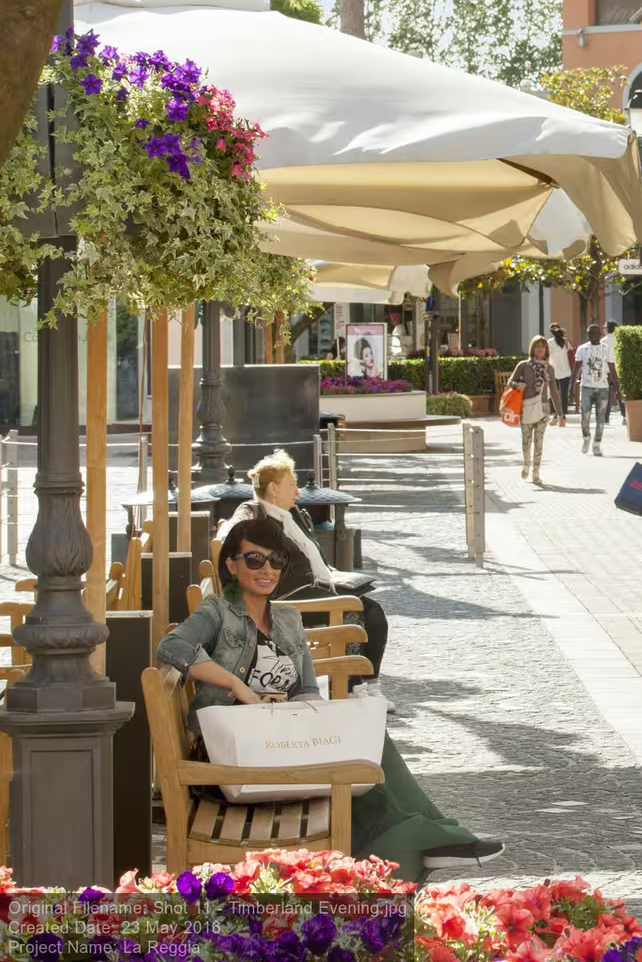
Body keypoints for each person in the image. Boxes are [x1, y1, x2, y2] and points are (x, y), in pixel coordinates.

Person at [157, 517, 503, 878]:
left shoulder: (288, 619)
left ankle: (432, 839)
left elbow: (306, 689)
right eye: (255, 560)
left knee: (367, 741)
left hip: (277, 743)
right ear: (232, 564)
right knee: (355, 769)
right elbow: (172, 646)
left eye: (276, 561)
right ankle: (427, 843)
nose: (268, 570)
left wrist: (323, 729)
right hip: (231, 758)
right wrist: (237, 685)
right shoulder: (217, 612)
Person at [219, 449, 387, 698]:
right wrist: (228, 532)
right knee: (362, 611)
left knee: (370, 609)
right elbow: (235, 525)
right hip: (286, 601)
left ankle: (366, 686)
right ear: (274, 490)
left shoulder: (291, 515)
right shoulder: (256, 515)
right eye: (292, 484)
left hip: (308, 589)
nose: (298, 491)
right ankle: (353, 688)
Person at [507, 336, 558, 486]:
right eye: (537, 346)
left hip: (543, 407)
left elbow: (554, 391)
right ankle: (526, 464)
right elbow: (510, 381)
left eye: (543, 346)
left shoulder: (549, 368)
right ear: (532, 349)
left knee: (539, 441)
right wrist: (517, 386)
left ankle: (536, 473)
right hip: (527, 406)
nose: (540, 349)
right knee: (526, 440)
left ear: (546, 350)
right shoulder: (523, 365)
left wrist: (561, 414)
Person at [575, 323, 619, 456]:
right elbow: (576, 370)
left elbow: (612, 369)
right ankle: (586, 438)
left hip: (603, 388)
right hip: (586, 387)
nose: (592, 335)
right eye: (589, 333)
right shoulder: (582, 349)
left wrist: (618, 388)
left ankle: (596, 444)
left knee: (601, 419)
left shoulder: (607, 349)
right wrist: (572, 389)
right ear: (587, 334)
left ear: (600, 334)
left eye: (595, 333)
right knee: (585, 416)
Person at [548, 324, 573, 429]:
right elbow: (571, 352)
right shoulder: (566, 341)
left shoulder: (549, 342)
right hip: (566, 371)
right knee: (563, 395)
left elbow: (547, 356)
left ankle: (555, 416)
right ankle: (562, 418)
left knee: (553, 394)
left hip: (554, 371)